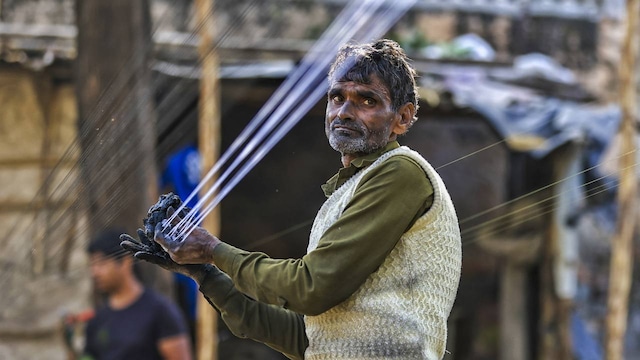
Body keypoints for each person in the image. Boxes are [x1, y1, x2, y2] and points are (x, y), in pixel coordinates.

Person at [122, 39, 462, 359]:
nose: (344, 111)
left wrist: (213, 250)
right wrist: (203, 273)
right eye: (337, 97)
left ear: (402, 118)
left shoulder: (401, 172)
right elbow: (308, 339)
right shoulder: (352, 187)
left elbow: (310, 288)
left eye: (367, 100)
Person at [84, 228, 193, 360]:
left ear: (125, 262)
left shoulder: (160, 312)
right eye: (92, 265)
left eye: (101, 263)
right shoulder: (98, 320)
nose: (95, 273)